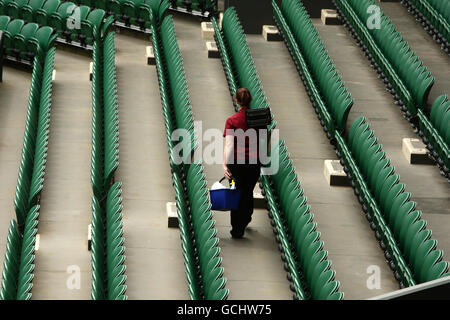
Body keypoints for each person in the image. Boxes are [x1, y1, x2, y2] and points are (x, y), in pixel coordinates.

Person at [223, 88, 261, 239]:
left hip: (236, 165)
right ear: (250, 100)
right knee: (248, 191)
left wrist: (225, 165)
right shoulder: (259, 119)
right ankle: (246, 218)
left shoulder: (231, 121)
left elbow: (229, 145)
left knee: (236, 192)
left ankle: (237, 228)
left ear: (236, 101)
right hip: (253, 163)